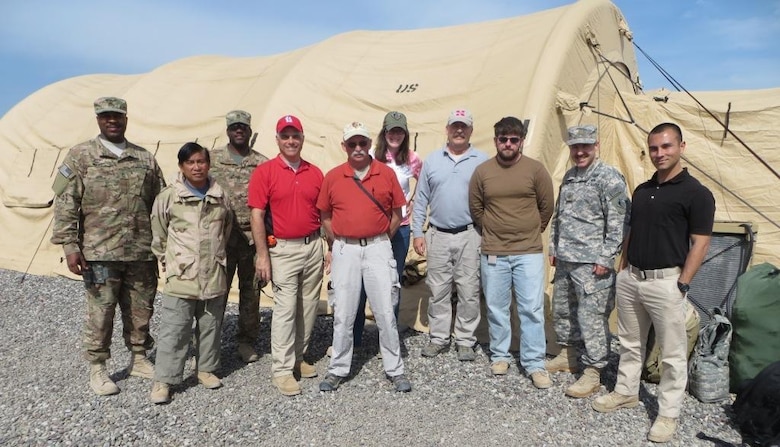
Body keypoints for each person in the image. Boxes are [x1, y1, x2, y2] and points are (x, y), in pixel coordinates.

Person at [592, 123, 715, 444]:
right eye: (655, 148)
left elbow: (701, 242)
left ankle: (668, 413)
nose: (660, 154)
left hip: (667, 282)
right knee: (630, 344)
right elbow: (631, 231)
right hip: (632, 278)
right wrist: (623, 269)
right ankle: (626, 392)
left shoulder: (697, 194)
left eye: (666, 147)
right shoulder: (643, 190)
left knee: (673, 353)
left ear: (681, 147)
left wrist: (683, 283)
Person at [51, 97, 165, 396]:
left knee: (141, 309)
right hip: (99, 252)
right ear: (98, 119)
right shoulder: (81, 156)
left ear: (126, 118)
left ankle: (139, 358)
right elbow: (65, 203)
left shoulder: (145, 159)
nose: (112, 121)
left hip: (141, 250)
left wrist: (164, 245)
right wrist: (69, 245)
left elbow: (161, 204)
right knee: (100, 312)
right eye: (106, 116)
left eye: (117, 116)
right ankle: (98, 367)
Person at [317, 121, 411, 392]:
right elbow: (325, 214)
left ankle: (395, 369)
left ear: (370, 144)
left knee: (384, 310)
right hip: (346, 247)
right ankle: (338, 369)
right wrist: (338, 241)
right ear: (344, 146)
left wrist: (381, 237)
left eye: (362, 143)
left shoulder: (386, 173)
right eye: (352, 144)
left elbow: (397, 212)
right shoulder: (334, 176)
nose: (357, 148)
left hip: (378, 247)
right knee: (344, 311)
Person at [468, 116, 554, 388]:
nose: (508, 144)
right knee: (496, 307)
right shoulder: (483, 172)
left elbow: (546, 207)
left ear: (521, 142)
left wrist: (528, 231)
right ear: (495, 141)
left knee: (531, 308)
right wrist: (494, 231)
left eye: (513, 139)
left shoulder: (536, 170)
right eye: (503, 139)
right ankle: (500, 355)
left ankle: (534, 363)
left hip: (528, 251)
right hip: (494, 250)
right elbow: (476, 209)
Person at [547, 125, 630, 398]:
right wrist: (554, 247)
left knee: (591, 318)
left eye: (585, 146)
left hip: (593, 265)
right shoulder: (570, 176)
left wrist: (606, 257)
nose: (580, 152)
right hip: (567, 259)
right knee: (564, 311)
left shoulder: (609, 178)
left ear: (596, 146)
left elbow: (619, 222)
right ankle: (569, 354)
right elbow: (560, 215)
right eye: (575, 147)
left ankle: (593, 371)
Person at [148, 143, 232, 404]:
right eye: (191, 163)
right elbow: (159, 234)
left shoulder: (220, 195)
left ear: (208, 164)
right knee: (175, 328)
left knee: (210, 325)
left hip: (213, 273)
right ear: (182, 166)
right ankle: (165, 379)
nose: (197, 167)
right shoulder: (170, 196)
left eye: (201, 162)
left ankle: (205, 369)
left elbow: (225, 230)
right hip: (182, 274)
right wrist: (170, 261)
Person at [247, 115, 325, 396]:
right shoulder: (265, 172)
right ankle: (281, 369)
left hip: (313, 245)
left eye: (295, 135)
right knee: (285, 310)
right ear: (277, 140)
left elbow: (323, 212)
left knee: (307, 306)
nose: (290, 141)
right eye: (285, 136)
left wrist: (327, 247)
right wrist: (262, 255)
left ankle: (298, 357)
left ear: (302, 138)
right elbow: (256, 215)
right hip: (282, 249)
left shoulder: (315, 173)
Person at [412, 108, 488, 361]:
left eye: (463, 126)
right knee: (438, 289)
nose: (459, 130)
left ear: (470, 131)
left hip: (469, 233)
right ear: (447, 129)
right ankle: (439, 337)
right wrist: (417, 233)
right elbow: (421, 199)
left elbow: (490, 200)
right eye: (454, 126)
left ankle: (465, 339)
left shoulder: (482, 160)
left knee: (469, 289)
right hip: (438, 234)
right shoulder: (432, 160)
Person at [351, 111, 422, 347]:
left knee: (392, 283)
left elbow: (424, 182)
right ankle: (356, 336)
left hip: (399, 229)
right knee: (361, 280)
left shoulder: (412, 159)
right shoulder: (371, 156)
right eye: (391, 130)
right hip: (372, 229)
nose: (395, 135)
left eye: (400, 131)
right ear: (384, 132)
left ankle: (388, 340)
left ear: (405, 133)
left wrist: (411, 201)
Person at [209, 110, 269, 363]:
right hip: (221, 238)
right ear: (227, 130)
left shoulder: (262, 163)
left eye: (243, 127)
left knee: (251, 292)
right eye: (234, 127)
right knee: (216, 292)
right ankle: (211, 343)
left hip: (252, 238)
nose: (239, 130)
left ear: (249, 129)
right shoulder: (211, 160)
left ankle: (246, 340)